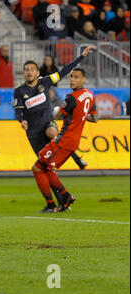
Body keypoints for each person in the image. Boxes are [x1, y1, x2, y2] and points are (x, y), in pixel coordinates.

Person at [14, 45, 95, 208]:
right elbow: (18, 110)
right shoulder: (19, 91)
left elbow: (64, 71)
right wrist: (21, 121)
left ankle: (76, 158)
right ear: (24, 73)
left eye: (32, 69)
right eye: (26, 70)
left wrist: (81, 57)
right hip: (33, 132)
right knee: (45, 168)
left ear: (38, 73)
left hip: (47, 123)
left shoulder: (45, 82)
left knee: (53, 132)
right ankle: (61, 200)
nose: (29, 72)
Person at [32, 67, 98, 212]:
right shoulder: (90, 95)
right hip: (71, 140)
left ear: (83, 79)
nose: (72, 80)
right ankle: (64, 197)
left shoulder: (71, 98)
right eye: (71, 77)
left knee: (42, 167)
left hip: (64, 139)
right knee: (39, 165)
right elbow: (95, 118)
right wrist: (80, 116)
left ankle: (55, 202)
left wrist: (57, 110)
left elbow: (56, 116)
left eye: (76, 77)